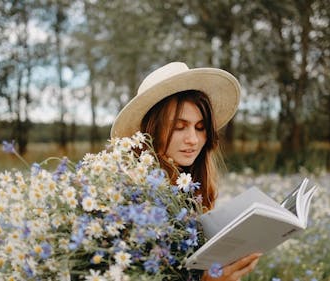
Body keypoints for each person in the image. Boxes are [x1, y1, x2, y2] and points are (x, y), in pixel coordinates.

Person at [111, 62, 261, 281]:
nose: (192, 140)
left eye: (200, 128)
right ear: (151, 132)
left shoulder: (192, 191)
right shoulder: (130, 198)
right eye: (179, 127)